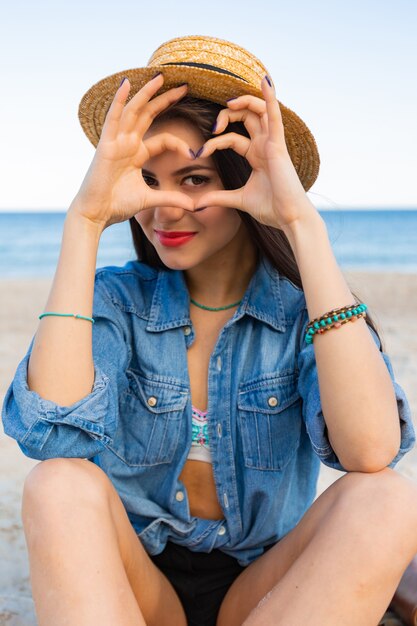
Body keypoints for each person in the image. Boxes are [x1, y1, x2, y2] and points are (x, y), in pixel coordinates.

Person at [2, 34, 417, 626]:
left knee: (388, 498)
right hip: (134, 581)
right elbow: (54, 436)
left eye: (195, 178)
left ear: (247, 176)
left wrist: (301, 221)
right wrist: (85, 220)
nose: (165, 207)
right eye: (149, 178)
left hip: (262, 588)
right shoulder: (118, 301)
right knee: (57, 484)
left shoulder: (304, 313)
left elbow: (371, 451)